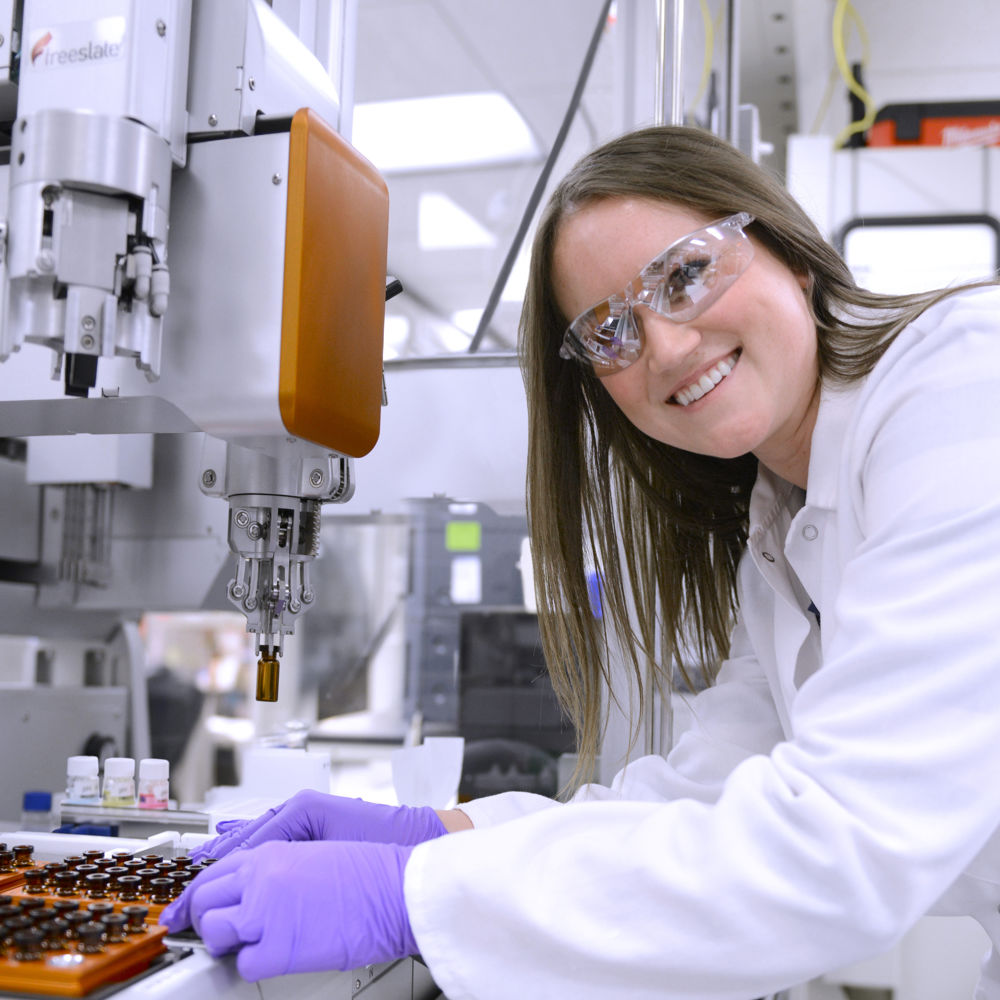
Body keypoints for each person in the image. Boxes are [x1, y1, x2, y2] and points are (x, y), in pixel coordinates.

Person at [161, 125, 1000, 999]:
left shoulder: (964, 385)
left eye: (684, 274)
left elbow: (839, 851)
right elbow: (703, 793)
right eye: (610, 333)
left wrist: (410, 897)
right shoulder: (778, 533)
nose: (668, 348)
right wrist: (433, 835)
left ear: (785, 247)